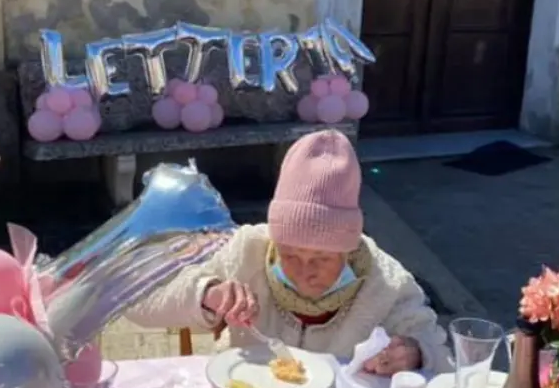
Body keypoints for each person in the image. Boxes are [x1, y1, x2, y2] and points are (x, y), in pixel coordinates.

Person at [126, 129, 450, 375]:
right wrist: (206, 294)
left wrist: (416, 354)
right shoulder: (248, 250)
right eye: (290, 255)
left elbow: (442, 360)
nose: (304, 271)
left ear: (348, 249)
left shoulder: (386, 282)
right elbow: (135, 299)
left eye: (322, 258)